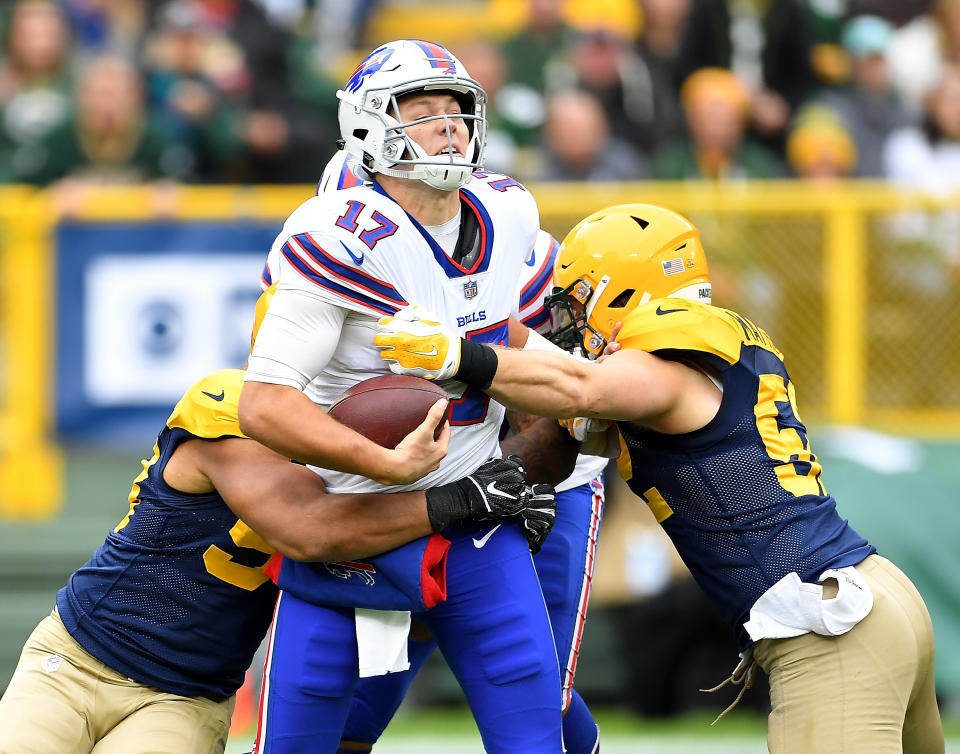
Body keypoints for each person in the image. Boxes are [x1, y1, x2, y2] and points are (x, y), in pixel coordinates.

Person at [374, 203, 946, 753]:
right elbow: (563, 410)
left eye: (577, 302)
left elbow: (580, 387)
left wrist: (456, 355)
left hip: (827, 630)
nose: (570, 321)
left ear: (617, 291)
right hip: (875, 594)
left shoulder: (661, 368)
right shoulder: (711, 349)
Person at [238, 39, 569, 753]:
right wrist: (381, 462)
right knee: (310, 738)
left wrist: (539, 456)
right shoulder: (341, 232)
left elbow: (520, 349)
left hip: (478, 516)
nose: (447, 125)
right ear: (368, 125)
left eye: (457, 108)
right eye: (422, 110)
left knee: (539, 730)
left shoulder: (508, 209)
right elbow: (263, 405)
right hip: (353, 523)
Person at [0, 351, 552, 754]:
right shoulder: (230, 408)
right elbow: (306, 529)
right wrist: (460, 499)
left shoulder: (385, 452)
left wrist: (495, 510)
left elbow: (410, 593)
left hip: (187, 696)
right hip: (76, 661)